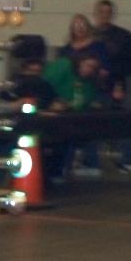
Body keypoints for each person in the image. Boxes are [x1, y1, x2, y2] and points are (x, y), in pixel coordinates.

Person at [93, 0, 131, 173]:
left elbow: (130, 65)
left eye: (107, 12)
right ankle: (91, 161)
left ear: (112, 14)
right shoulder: (90, 35)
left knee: (121, 123)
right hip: (93, 87)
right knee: (90, 124)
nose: (104, 16)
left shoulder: (124, 37)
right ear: (96, 13)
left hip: (114, 86)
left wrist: (115, 77)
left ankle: (128, 160)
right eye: (102, 12)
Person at [43, 51, 102, 179]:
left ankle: (59, 171)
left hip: (70, 116)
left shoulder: (89, 82)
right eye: (87, 65)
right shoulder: (63, 66)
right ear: (80, 62)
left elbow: (85, 99)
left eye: (93, 67)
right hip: (50, 111)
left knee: (66, 142)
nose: (89, 70)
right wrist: (53, 101)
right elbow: (45, 85)